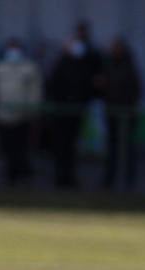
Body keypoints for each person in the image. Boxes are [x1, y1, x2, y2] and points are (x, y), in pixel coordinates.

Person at [42, 22, 103, 189]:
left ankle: (68, 177)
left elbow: (96, 83)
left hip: (77, 108)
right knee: (60, 145)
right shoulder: (63, 60)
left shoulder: (91, 58)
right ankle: (60, 177)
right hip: (61, 109)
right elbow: (52, 83)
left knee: (71, 145)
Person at [0, 38, 41, 185]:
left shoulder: (29, 68)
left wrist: (32, 111)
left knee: (20, 147)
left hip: (22, 115)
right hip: (1, 115)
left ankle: (19, 174)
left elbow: (35, 92)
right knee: (6, 147)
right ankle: (12, 174)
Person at [101, 37, 141, 190]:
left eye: (117, 47)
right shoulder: (108, 65)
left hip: (127, 114)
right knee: (112, 148)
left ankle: (129, 180)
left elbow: (136, 89)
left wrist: (128, 106)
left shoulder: (129, 66)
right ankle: (109, 179)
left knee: (128, 148)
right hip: (111, 112)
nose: (115, 50)